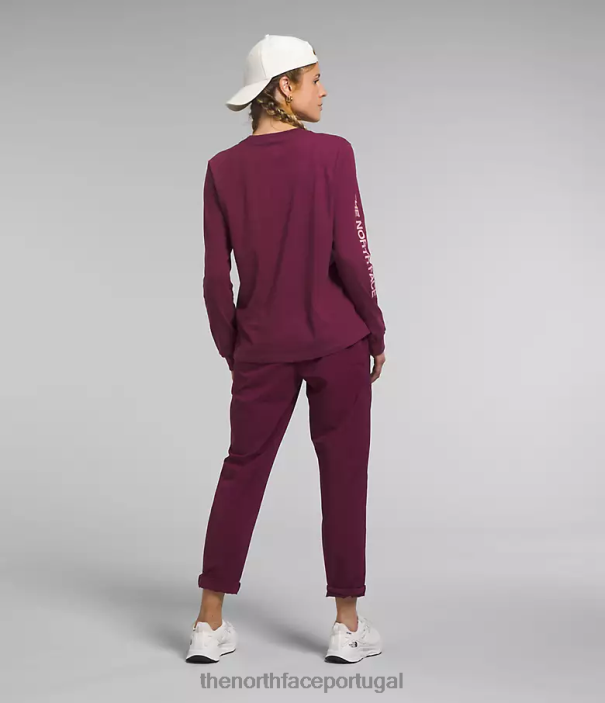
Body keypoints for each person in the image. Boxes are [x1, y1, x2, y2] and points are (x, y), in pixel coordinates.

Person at [186, 34, 387, 664]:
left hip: (261, 348)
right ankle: (347, 628)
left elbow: (214, 278)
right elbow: (352, 252)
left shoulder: (222, 169)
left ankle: (208, 624)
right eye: (315, 78)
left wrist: (235, 347)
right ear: (284, 87)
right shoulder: (333, 154)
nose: (324, 90)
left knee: (241, 471)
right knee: (344, 473)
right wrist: (376, 328)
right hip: (337, 342)